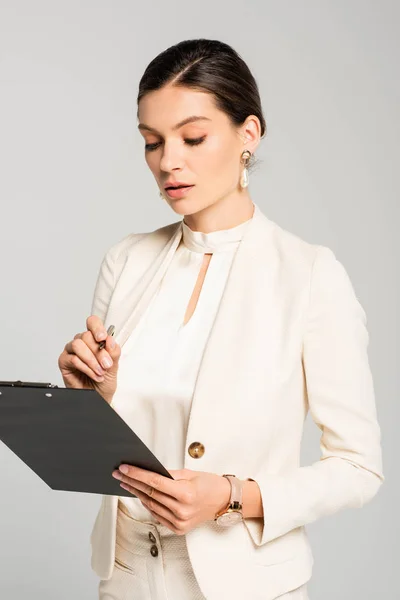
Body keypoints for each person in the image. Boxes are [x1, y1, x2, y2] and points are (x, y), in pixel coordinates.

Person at [58, 38, 384, 600]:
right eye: (152, 143)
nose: (168, 162)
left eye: (193, 137)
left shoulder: (309, 276)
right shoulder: (126, 261)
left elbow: (359, 468)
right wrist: (95, 397)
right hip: (128, 578)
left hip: (247, 586)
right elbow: (108, 447)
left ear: (248, 135)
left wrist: (232, 496)